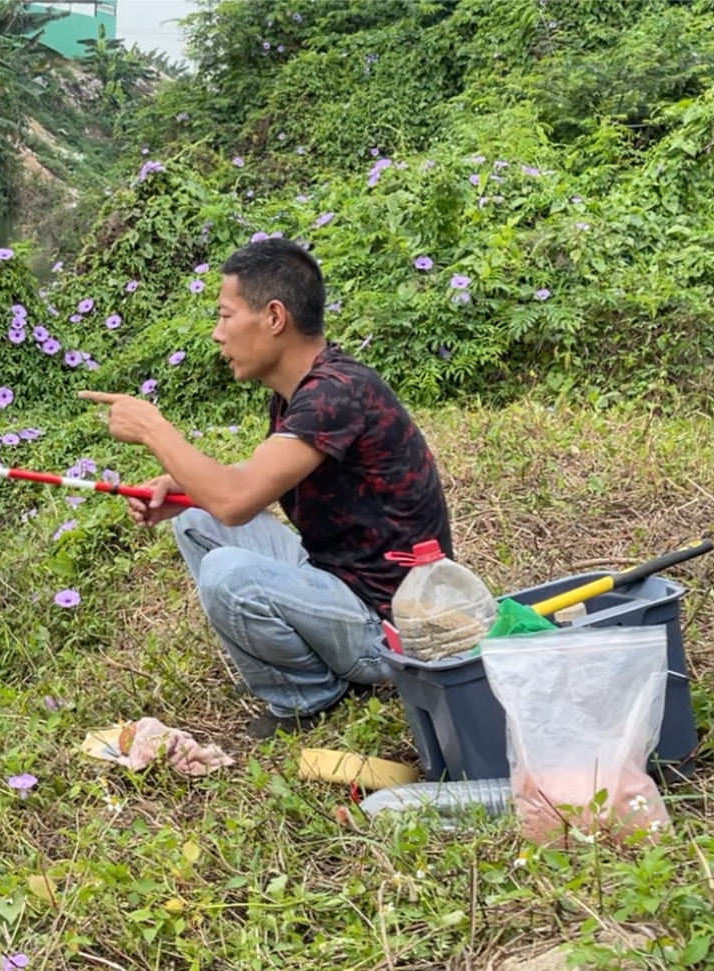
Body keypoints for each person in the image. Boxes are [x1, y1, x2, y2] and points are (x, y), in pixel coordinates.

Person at [80, 237, 454, 740]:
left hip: (387, 628)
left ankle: (308, 695)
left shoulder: (335, 394)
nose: (217, 334)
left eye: (226, 316)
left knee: (227, 574)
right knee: (195, 518)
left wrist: (152, 429)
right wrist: (181, 485)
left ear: (274, 317)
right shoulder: (305, 393)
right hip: (336, 580)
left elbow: (236, 501)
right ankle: (305, 670)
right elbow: (254, 478)